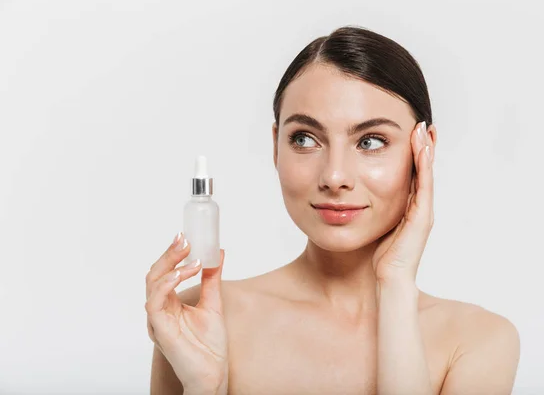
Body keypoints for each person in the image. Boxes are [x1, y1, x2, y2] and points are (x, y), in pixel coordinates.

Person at [145, 25, 521, 395]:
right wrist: (203, 388)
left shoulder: (478, 341)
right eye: (305, 139)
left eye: (371, 141)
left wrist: (396, 283)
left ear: (424, 149)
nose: (335, 176)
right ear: (276, 146)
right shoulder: (200, 317)